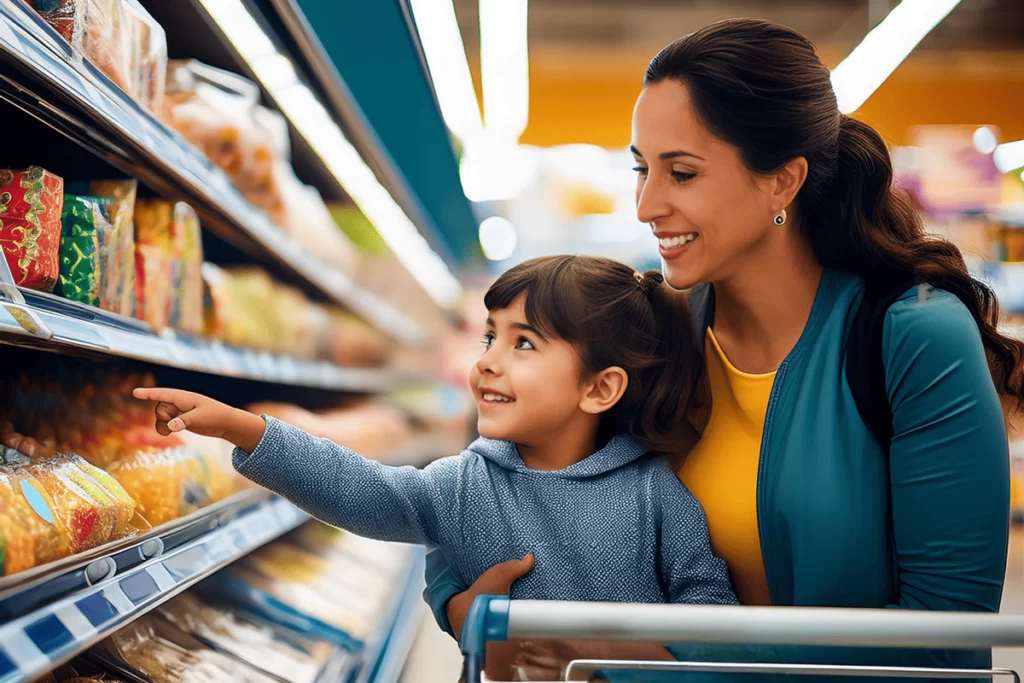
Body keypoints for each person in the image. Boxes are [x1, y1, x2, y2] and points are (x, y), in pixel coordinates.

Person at [424, 18, 1020, 680]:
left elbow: (944, 640)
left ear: (783, 181)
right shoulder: (659, 328)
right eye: (642, 169)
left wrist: (661, 661)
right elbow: (510, 471)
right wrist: (460, 598)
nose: (647, 204)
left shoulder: (911, 336)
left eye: (681, 173)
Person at [130, 256, 738, 659]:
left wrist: (620, 653)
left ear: (599, 388)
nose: (488, 361)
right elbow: (360, 489)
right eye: (490, 336)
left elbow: (714, 619)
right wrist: (243, 428)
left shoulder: (655, 494)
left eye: (524, 343)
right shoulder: (467, 485)